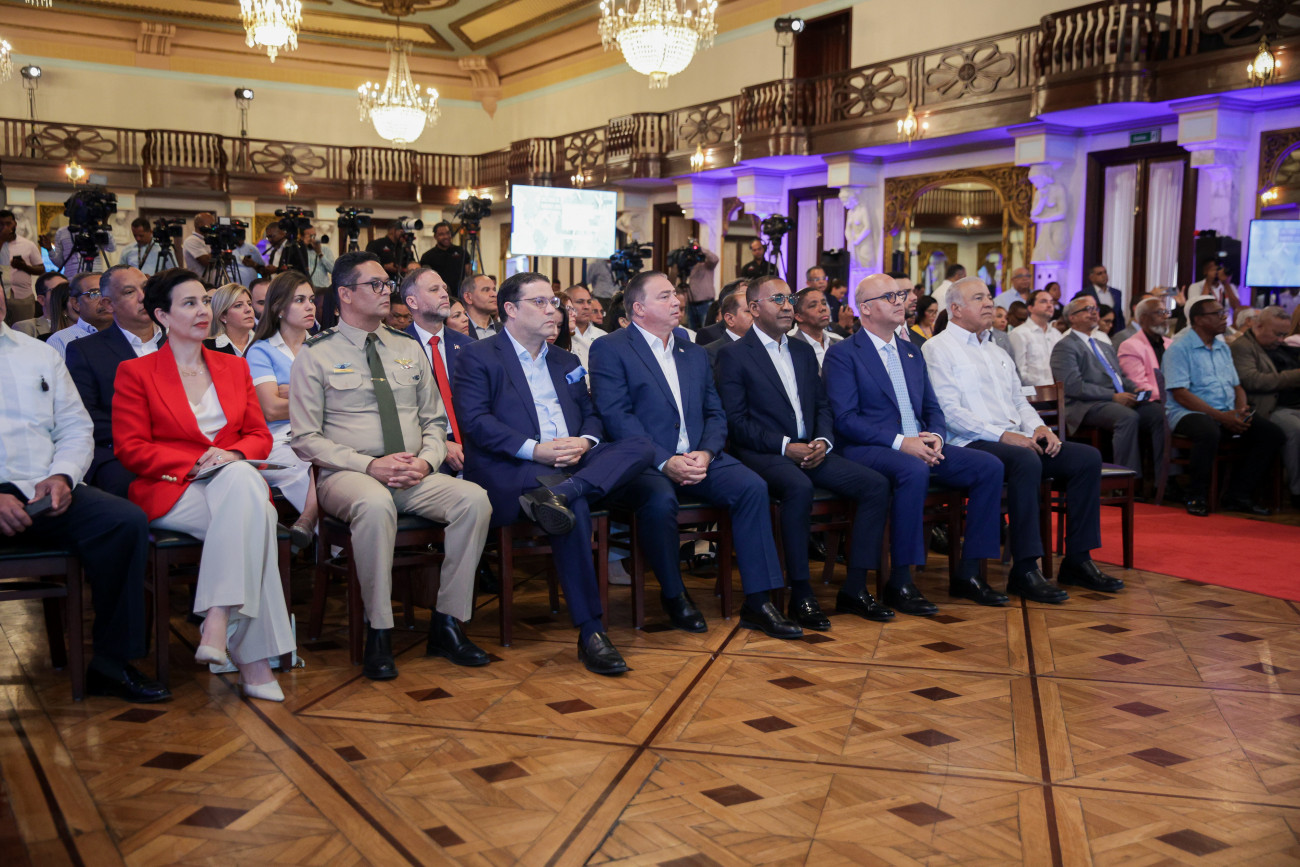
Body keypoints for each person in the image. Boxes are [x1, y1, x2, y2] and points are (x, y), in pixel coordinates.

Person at [289, 252, 493, 679]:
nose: (387, 292)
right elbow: (306, 439)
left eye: (388, 284)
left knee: (474, 500)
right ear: (345, 294)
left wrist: (426, 461)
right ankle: (378, 630)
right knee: (375, 504)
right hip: (348, 476)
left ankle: (448, 623)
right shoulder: (317, 353)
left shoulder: (406, 347)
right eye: (376, 285)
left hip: (412, 473)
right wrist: (370, 465)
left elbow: (434, 421)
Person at [455, 272, 655, 674]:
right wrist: (536, 450)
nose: (554, 310)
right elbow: (476, 423)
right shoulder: (479, 355)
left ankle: (569, 490)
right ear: (510, 309)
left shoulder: (566, 360)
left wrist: (584, 441)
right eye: (541, 302)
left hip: (572, 463)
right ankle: (591, 630)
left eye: (554, 302)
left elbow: (592, 414)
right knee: (570, 509)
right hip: (515, 467)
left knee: (641, 446)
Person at [112, 268, 295, 701]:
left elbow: (259, 435)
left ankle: (217, 616)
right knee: (257, 518)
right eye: (189, 303)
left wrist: (232, 456)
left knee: (242, 484)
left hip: (232, 481)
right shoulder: (136, 372)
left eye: (205, 302)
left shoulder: (233, 367)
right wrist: (195, 462)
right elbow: (131, 448)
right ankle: (252, 661)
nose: (202, 311)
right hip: (174, 488)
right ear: (162, 315)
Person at [589, 270, 801, 638]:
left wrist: (706, 452)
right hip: (644, 461)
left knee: (752, 487)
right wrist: (663, 460)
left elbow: (715, 412)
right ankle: (674, 595)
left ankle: (758, 601)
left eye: (675, 294)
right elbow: (616, 417)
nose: (677, 301)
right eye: (665, 296)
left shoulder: (693, 351)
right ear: (638, 308)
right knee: (659, 499)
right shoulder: (611, 348)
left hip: (700, 456)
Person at [0, 287, 170, 703]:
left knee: (123, 521)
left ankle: (112, 663)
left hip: (45, 488)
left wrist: (62, 475)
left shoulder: (39, 354)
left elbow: (76, 428)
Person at [923, 278, 1118, 601]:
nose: (989, 303)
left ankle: (1078, 560)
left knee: (1086, 458)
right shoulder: (937, 348)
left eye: (989, 296)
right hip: (970, 441)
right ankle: (1026, 568)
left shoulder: (997, 350)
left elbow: (1019, 401)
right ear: (955, 309)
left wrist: (1040, 428)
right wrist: (1003, 435)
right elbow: (948, 411)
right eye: (978, 298)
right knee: (1025, 460)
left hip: (1014, 438)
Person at [716, 276, 893, 626]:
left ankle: (855, 588)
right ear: (754, 308)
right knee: (799, 487)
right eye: (778, 299)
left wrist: (823, 441)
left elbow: (823, 405)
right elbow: (736, 422)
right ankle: (801, 592)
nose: (787, 306)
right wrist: (786, 446)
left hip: (811, 449)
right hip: (763, 452)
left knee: (875, 485)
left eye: (790, 299)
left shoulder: (801, 351)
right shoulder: (733, 355)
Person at [823, 274, 1004, 616]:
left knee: (988, 466)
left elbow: (932, 408)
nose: (900, 301)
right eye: (889, 296)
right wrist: (901, 443)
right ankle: (901, 581)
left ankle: (969, 574)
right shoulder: (844, 354)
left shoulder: (910, 351)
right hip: (867, 447)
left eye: (901, 295)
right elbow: (845, 420)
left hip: (919, 443)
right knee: (913, 470)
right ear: (865, 308)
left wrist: (935, 435)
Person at [1165, 296, 1286, 516]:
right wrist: (1221, 417)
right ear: (1199, 319)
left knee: (1272, 434)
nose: (1225, 318)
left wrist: (1240, 412)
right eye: (1218, 314)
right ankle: (1196, 495)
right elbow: (1181, 394)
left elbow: (1237, 386)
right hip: (1188, 412)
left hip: (1227, 411)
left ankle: (1237, 495)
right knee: (1208, 431)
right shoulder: (1179, 348)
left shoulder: (1222, 347)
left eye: (1224, 313)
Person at [64, 266, 162, 499]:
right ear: (108, 304)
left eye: (145, 288)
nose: (143, 297)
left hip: (185, 443)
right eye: (129, 292)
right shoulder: (86, 350)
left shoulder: (180, 341)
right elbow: (87, 415)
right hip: (119, 451)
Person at [245, 270, 322, 551]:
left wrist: (293, 391)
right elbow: (272, 409)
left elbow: (348, 401)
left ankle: (310, 524)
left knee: (346, 463)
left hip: (324, 432)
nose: (310, 306)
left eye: (311, 299)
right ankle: (338, 546)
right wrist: (318, 397)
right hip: (280, 440)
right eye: (299, 300)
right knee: (308, 469)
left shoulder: (323, 345)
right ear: (278, 308)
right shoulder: (261, 351)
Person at [1051, 297, 1166, 476]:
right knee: (1127, 417)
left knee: (1157, 413)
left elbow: (1118, 377)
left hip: (1114, 400)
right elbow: (1073, 386)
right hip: (1085, 405)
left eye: (1095, 309)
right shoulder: (1065, 346)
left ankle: (1162, 478)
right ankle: (1126, 478)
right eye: (1087, 309)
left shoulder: (1103, 345)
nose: (1094, 313)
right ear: (1072, 317)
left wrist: (1134, 389)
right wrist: (1112, 396)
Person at [400, 267, 474, 475]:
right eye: (434, 290)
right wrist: (440, 443)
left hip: (471, 443)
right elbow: (402, 412)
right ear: (412, 302)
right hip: (423, 448)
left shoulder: (468, 346)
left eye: (444, 288)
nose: (444, 294)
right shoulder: (397, 347)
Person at [1232, 305, 1300, 506]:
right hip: (1264, 406)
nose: (1281, 339)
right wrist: (1295, 376)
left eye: (1284, 334)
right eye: (1277, 334)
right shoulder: (1242, 347)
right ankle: (1297, 491)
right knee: (1295, 430)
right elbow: (1252, 380)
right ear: (1258, 326)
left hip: (1289, 404)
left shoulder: (1278, 347)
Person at [1117, 297, 1172, 401]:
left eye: (1166, 312)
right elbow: (1139, 385)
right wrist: (1172, 396)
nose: (1165, 316)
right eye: (1160, 312)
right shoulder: (1130, 346)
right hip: (1152, 401)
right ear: (1143, 318)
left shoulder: (1170, 344)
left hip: (1175, 398)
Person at [47, 272, 110, 359]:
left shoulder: (126, 332)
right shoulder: (60, 340)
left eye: (108, 292)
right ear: (76, 303)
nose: (104, 300)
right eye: (94, 294)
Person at [1, 209, 45, 326]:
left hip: (22, 297)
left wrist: (24, 267)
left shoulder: (28, 244)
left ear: (15, 224)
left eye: (8, 223)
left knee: (24, 330)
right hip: (1, 296)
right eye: (1, 224)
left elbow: (41, 269)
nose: (5, 227)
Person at [1009, 289, 1061, 386]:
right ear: (1030, 308)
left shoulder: (1056, 334)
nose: (1049, 305)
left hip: (1058, 390)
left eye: (1051, 302)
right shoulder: (1019, 333)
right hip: (1034, 391)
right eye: (1044, 301)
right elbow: (1018, 371)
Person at [789, 286, 842, 368]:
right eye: (813, 305)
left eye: (824, 303)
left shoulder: (838, 341)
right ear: (798, 316)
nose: (823, 308)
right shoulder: (789, 345)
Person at [204, 283, 257, 357]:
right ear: (223, 316)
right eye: (238, 305)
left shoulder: (265, 343)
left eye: (249, 304)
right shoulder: (207, 348)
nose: (248, 309)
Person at [703, 287, 753, 365]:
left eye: (756, 309)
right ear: (730, 319)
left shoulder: (763, 346)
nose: (756, 314)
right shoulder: (711, 352)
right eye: (748, 311)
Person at [51, 222, 117, 277]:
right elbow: (59, 263)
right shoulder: (62, 232)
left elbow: (112, 248)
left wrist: (103, 227)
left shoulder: (98, 230)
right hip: (71, 278)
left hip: (95, 276)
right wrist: (50, 250)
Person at [13, 271, 65, 339]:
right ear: (42, 300)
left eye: (66, 289)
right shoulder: (25, 327)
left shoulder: (77, 323)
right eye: (57, 291)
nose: (63, 294)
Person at [567, 283, 607, 369]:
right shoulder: (558, 336)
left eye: (589, 302)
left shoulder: (603, 336)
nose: (586, 307)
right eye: (580, 302)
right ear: (567, 305)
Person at [419, 221, 468, 291]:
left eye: (448, 233)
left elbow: (469, 274)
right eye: (441, 234)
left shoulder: (461, 251)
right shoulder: (427, 256)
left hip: (460, 293)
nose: (446, 237)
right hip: (438, 293)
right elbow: (426, 279)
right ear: (435, 236)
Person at [1078, 264, 1126, 332]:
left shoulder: (1117, 293)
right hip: (1095, 330)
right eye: (1099, 273)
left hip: (1115, 330)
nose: (1104, 275)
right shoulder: (1085, 293)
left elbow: (1119, 315)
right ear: (1091, 277)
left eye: (1105, 272)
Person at [683, 244, 720, 330]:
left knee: (707, 330)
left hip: (705, 304)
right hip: (691, 305)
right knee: (691, 332)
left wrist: (700, 249)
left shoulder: (707, 265)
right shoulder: (688, 267)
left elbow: (715, 259)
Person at [459, 274, 500, 340]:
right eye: (486, 290)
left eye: (494, 290)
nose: (494, 294)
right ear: (468, 297)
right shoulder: (458, 330)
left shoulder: (504, 329)